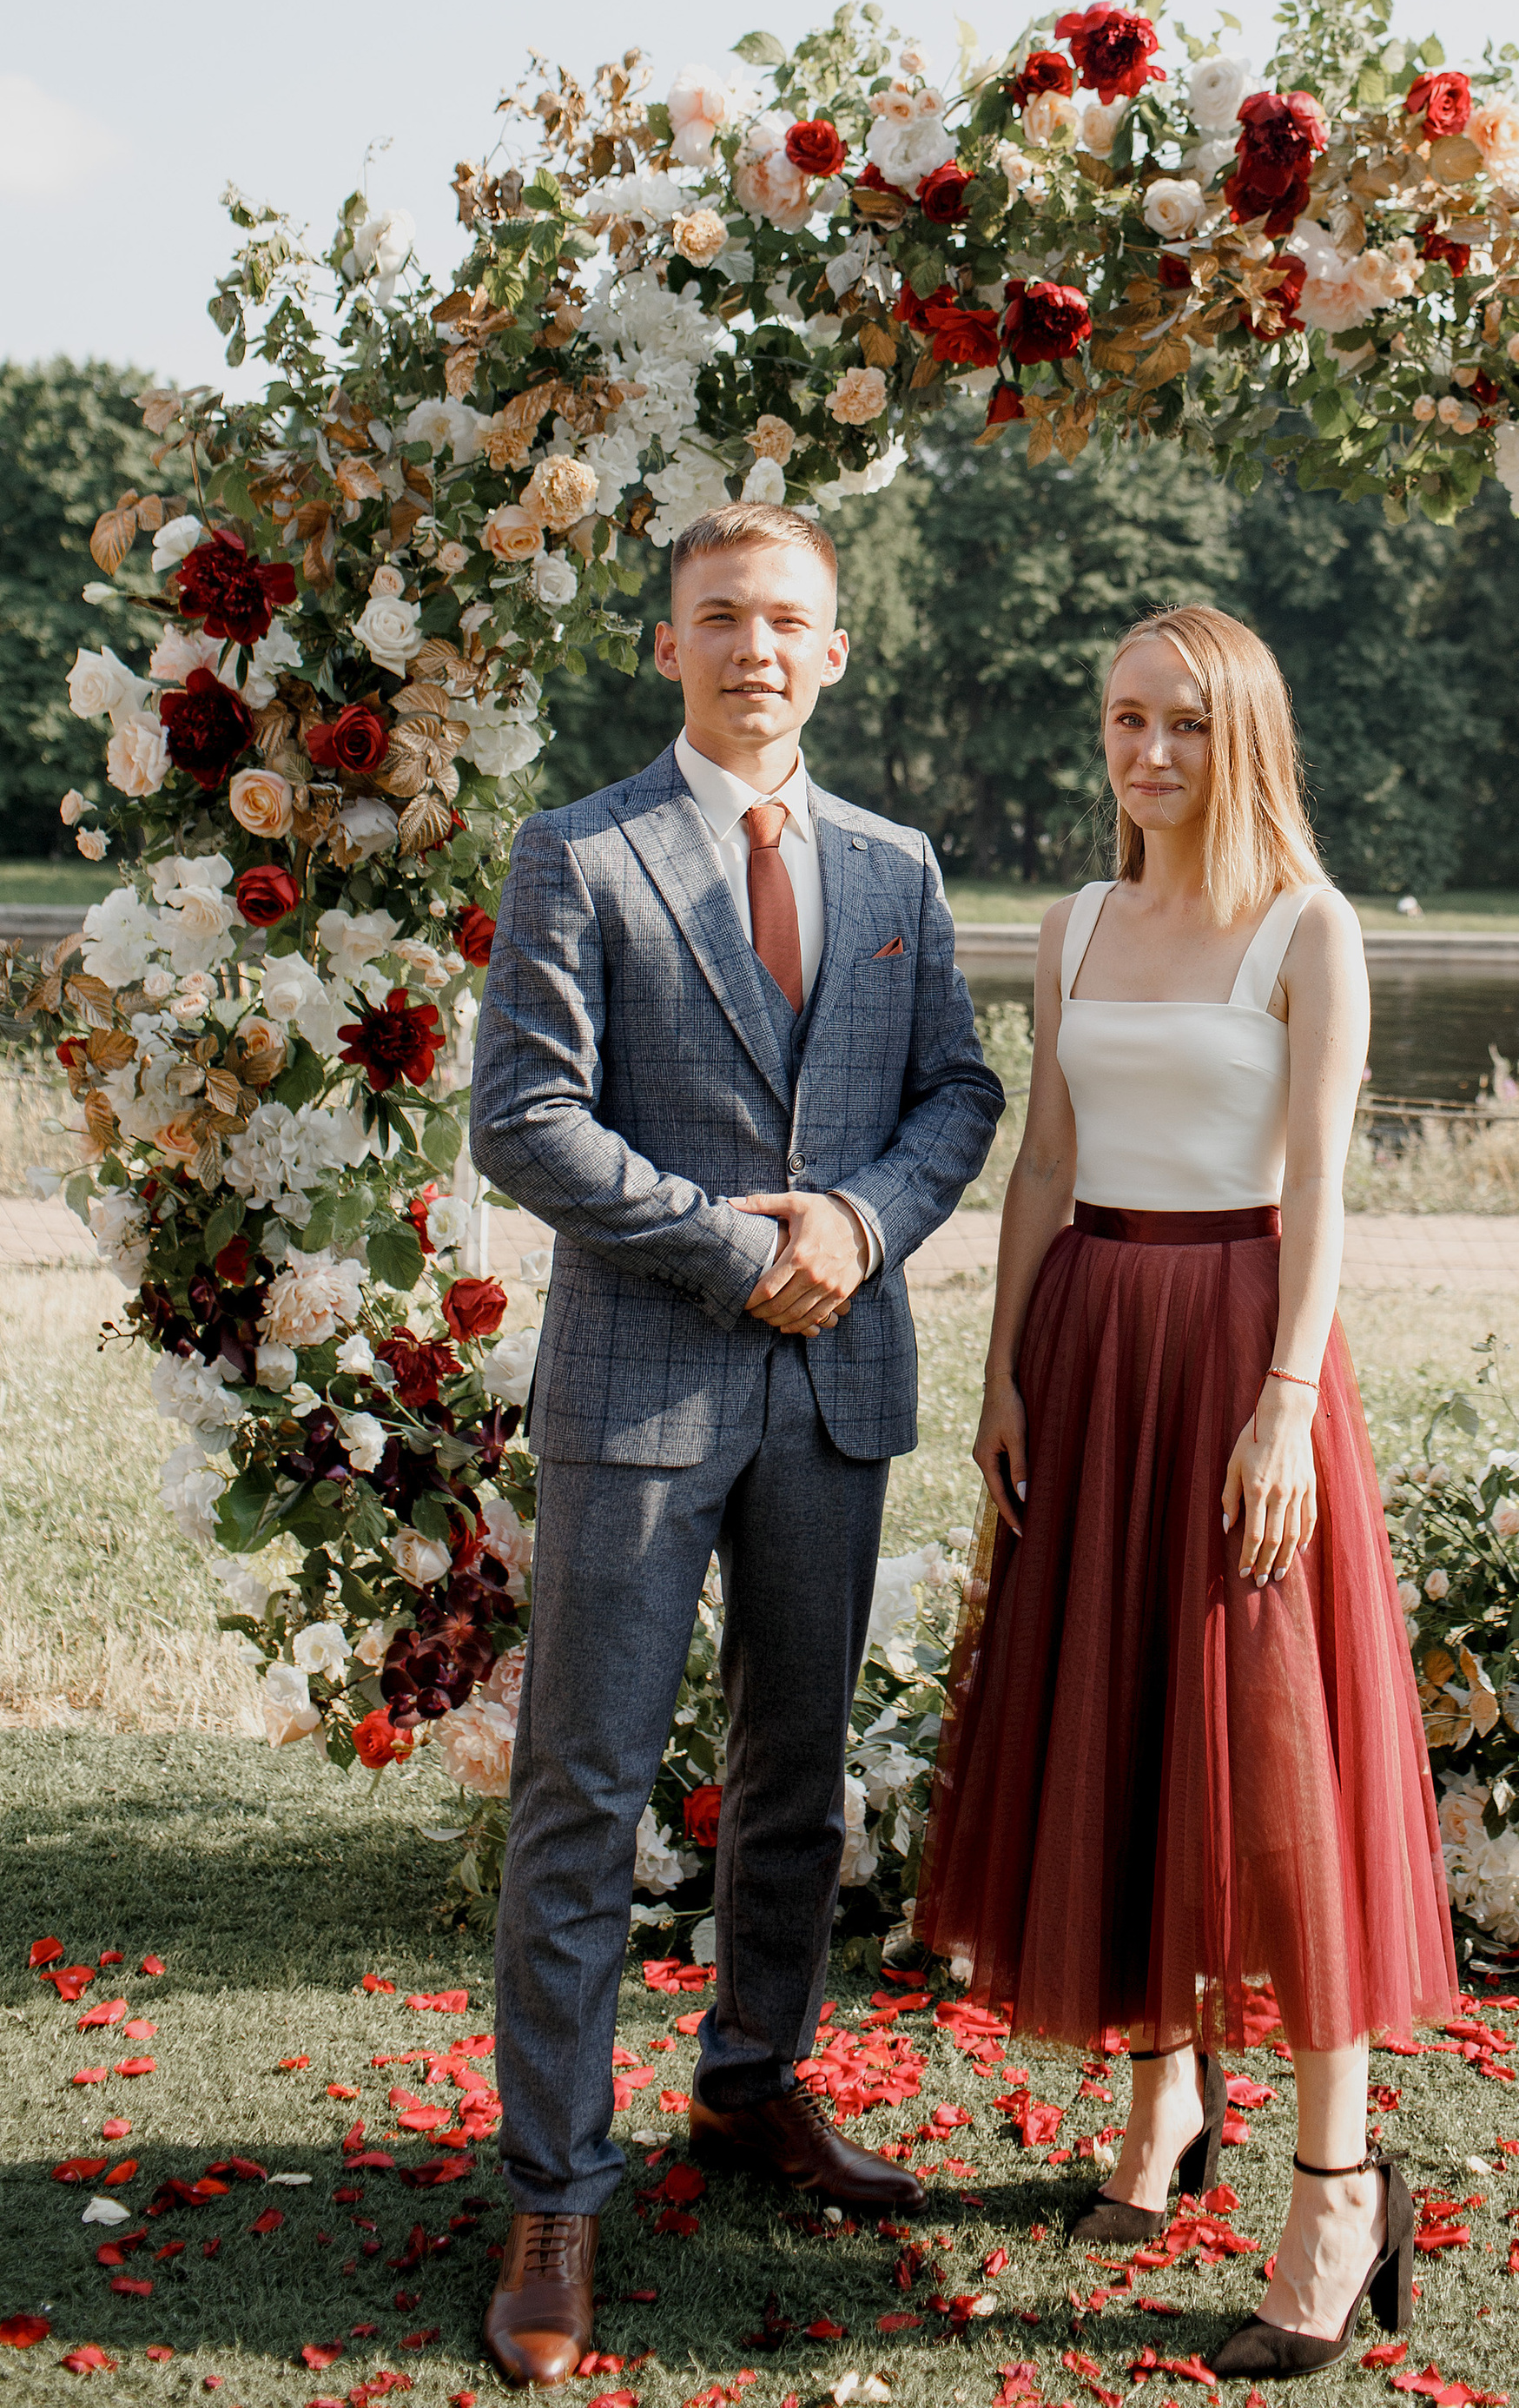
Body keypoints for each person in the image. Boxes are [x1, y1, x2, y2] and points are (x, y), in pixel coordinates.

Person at [470, 500, 1003, 2385]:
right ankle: (553, 2189)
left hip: (833, 1384)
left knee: (798, 1779)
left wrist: (856, 1228)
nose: (754, 647)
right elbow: (522, 1120)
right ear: (668, 642)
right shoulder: (578, 854)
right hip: (638, 1391)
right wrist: (733, 1247)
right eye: (719, 617)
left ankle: (750, 2087)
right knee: (585, 1794)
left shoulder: (893, 868)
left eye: (787, 620)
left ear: (833, 651)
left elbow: (960, 1088)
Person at [912, 605, 1457, 2383]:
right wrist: (1000, 1369)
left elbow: (1321, 1189)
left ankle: (1336, 2184)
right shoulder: (1071, 925)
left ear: (1246, 740)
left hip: (1236, 1352)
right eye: (1124, 722)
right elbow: (1045, 1159)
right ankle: (1157, 2115)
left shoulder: (1309, 927)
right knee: (1123, 1722)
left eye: (1183, 727)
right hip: (1087, 1342)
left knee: (1274, 1764)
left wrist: (1286, 1400)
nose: (1147, 753)